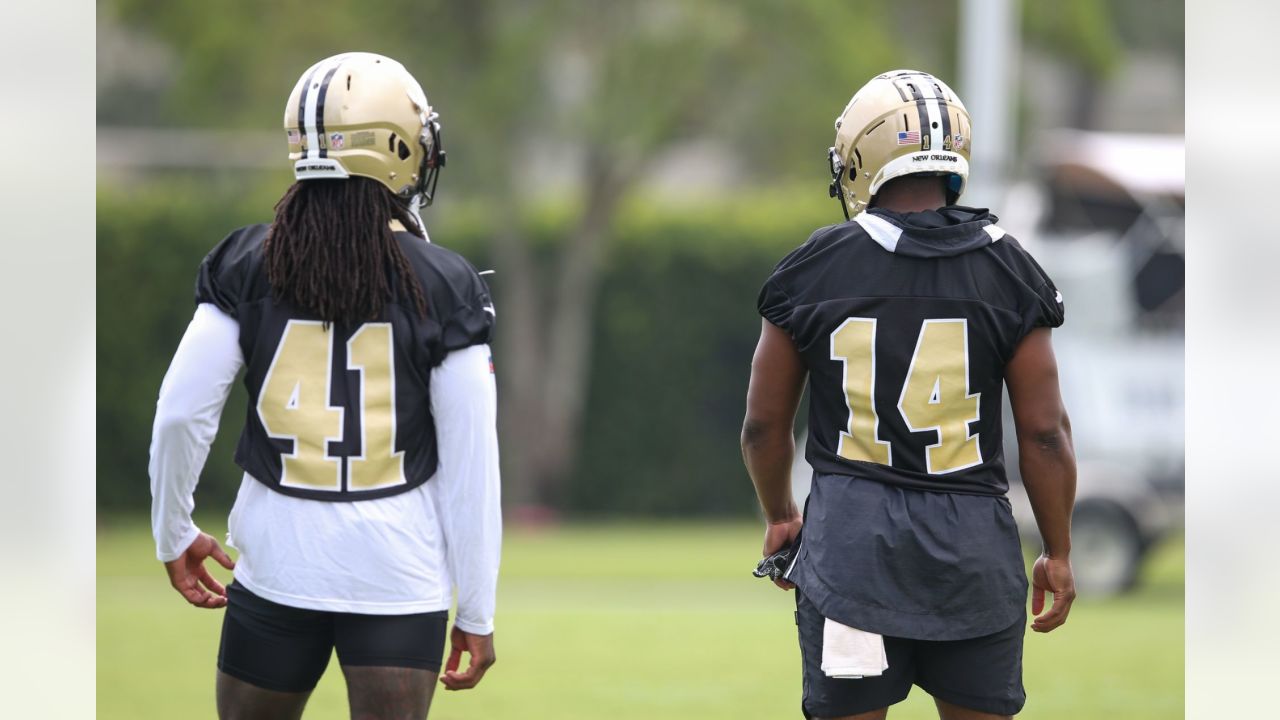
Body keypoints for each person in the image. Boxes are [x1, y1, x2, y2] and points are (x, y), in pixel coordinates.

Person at [149, 52, 501, 720]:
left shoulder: (246, 262)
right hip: (398, 576)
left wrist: (174, 530)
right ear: (398, 147)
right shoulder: (444, 281)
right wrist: (478, 608)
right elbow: (472, 462)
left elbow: (179, 415)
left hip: (277, 568)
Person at [741, 69, 1077, 720]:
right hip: (973, 567)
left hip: (852, 565)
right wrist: (1058, 552)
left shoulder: (815, 266)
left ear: (863, 159)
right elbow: (1044, 432)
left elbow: (763, 425)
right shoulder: (1010, 269)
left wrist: (782, 514)